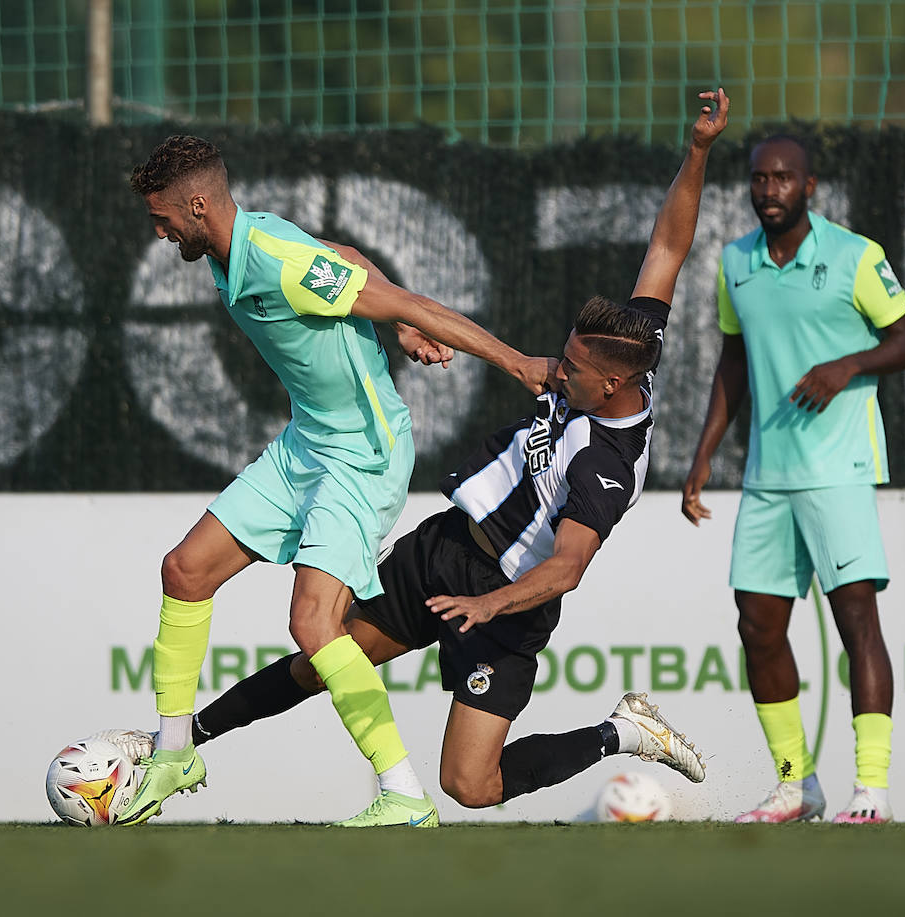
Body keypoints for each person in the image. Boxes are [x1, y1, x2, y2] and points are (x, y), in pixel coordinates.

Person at [163, 89, 730, 816]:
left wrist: (487, 603)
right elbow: (669, 248)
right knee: (320, 658)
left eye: (573, 369)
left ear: (613, 384)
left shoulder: (607, 466)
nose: (559, 370)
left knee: (471, 785)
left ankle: (620, 732)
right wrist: (698, 151)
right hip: (447, 549)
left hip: (503, 603)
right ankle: (181, 742)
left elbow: (567, 567)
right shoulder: (631, 339)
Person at [118, 135, 556, 828]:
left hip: (362, 455)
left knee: (315, 625)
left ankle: (404, 793)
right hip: (306, 444)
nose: (159, 230)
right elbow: (345, 260)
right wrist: (399, 325)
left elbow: (405, 299)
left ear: (198, 205)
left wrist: (512, 361)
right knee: (185, 570)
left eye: (163, 217)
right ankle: (175, 752)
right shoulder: (244, 245)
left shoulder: (276, 259)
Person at [681, 134, 905, 824]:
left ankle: (870, 792)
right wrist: (703, 455)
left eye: (783, 178)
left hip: (837, 471)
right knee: (756, 626)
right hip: (767, 476)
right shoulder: (736, 262)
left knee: (857, 622)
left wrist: (847, 365)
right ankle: (797, 784)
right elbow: (734, 360)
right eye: (760, 179)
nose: (769, 191)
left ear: (810, 185)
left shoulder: (856, 255)